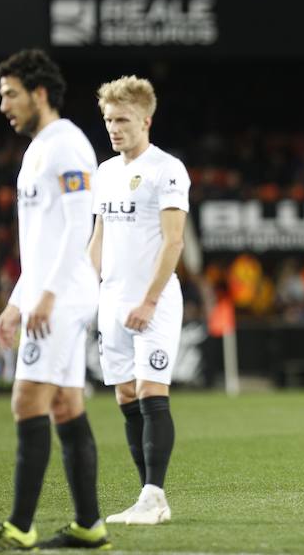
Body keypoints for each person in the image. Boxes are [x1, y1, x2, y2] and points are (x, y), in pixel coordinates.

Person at [0, 49, 110, 551]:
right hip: (54, 293)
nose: (3, 104)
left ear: (39, 93)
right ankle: (90, 526)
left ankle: (19, 529)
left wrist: (44, 298)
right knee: (66, 406)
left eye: (11, 94)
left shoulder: (66, 145)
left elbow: (77, 226)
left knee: (27, 399)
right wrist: (15, 300)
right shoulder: (39, 150)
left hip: (64, 297)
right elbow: (43, 240)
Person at [87, 75, 190, 525]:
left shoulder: (166, 169)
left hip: (155, 302)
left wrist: (148, 301)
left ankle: (155, 494)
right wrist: (83, 294)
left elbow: (173, 243)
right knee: (126, 395)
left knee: (151, 391)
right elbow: (99, 237)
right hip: (112, 301)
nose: (114, 127)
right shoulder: (106, 173)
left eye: (123, 119)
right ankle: (148, 498)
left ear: (145, 120)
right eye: (109, 119)